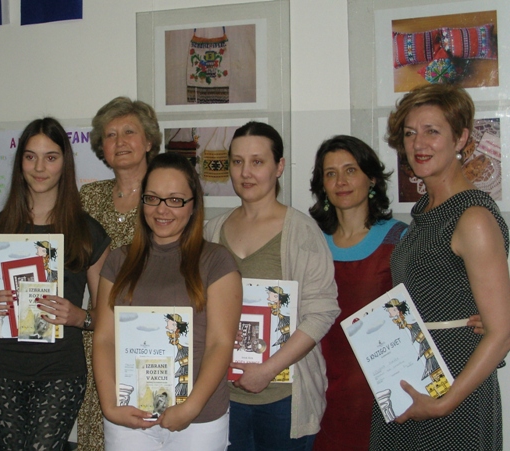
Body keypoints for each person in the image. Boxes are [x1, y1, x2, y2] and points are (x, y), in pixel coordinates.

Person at [372, 83, 510, 449]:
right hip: (411, 378)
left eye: (432, 131)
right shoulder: (424, 214)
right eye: (410, 133)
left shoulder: (473, 218)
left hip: (455, 393)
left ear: (461, 138)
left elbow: (501, 333)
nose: (419, 144)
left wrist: (441, 405)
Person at [203, 121, 340, 450]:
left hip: (283, 399)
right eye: (237, 162)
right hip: (223, 397)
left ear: (279, 167)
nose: (245, 172)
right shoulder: (212, 231)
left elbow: (321, 313)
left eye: (257, 162)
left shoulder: (302, 232)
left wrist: (267, 370)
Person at [93, 152, 242, 450]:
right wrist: (109, 406)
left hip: (198, 418)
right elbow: (105, 338)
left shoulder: (216, 260)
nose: (162, 209)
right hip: (128, 414)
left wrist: (191, 407)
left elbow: (220, 343)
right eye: (152, 198)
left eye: (175, 200)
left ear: (193, 205)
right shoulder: (118, 261)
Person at [0, 117, 110, 450]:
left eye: (50, 157)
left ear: (64, 163)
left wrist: (80, 317)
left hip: (60, 371)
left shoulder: (89, 233)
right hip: (3, 369)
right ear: (20, 162)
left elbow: (107, 316)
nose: (39, 167)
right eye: (30, 156)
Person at [307, 135, 407, 450]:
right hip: (320, 383)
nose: (341, 181)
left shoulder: (400, 239)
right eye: (331, 173)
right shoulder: (308, 243)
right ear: (322, 185)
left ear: (372, 178)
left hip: (382, 388)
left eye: (350, 170)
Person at [78, 96, 162, 449]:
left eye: (130, 132)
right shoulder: (88, 197)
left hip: (152, 338)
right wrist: (1, 223)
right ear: (102, 147)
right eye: (110, 135)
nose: (120, 141)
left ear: (149, 141)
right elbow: (54, 231)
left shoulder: (166, 195)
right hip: (99, 336)